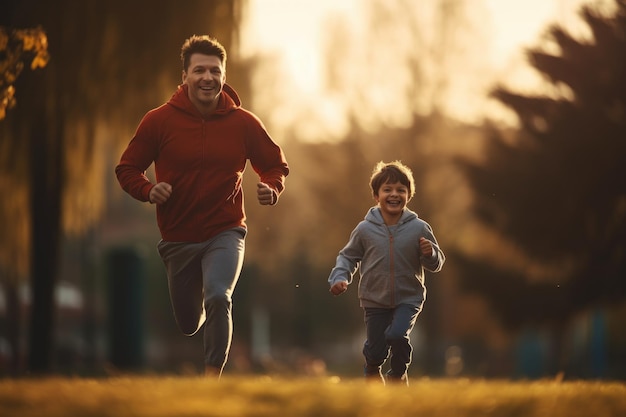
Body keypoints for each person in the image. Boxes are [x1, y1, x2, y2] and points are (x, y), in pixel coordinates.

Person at [115, 35, 289, 378]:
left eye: (214, 70)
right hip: (177, 237)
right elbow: (127, 168)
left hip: (226, 230)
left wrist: (272, 186)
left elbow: (274, 163)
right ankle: (205, 312)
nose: (207, 77)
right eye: (199, 70)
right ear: (185, 77)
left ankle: (212, 381)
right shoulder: (158, 121)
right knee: (189, 323)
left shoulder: (244, 123)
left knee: (219, 296)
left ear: (224, 76)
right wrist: (148, 191)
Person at [328, 161, 444, 385]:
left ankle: (397, 376)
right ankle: (372, 368)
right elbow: (348, 256)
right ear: (376, 195)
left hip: (408, 297)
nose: (394, 194)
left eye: (401, 190)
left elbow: (437, 263)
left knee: (397, 335)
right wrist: (340, 277)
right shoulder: (365, 229)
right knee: (375, 348)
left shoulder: (419, 228)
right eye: (387, 189)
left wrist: (430, 254)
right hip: (374, 298)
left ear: (409, 195)